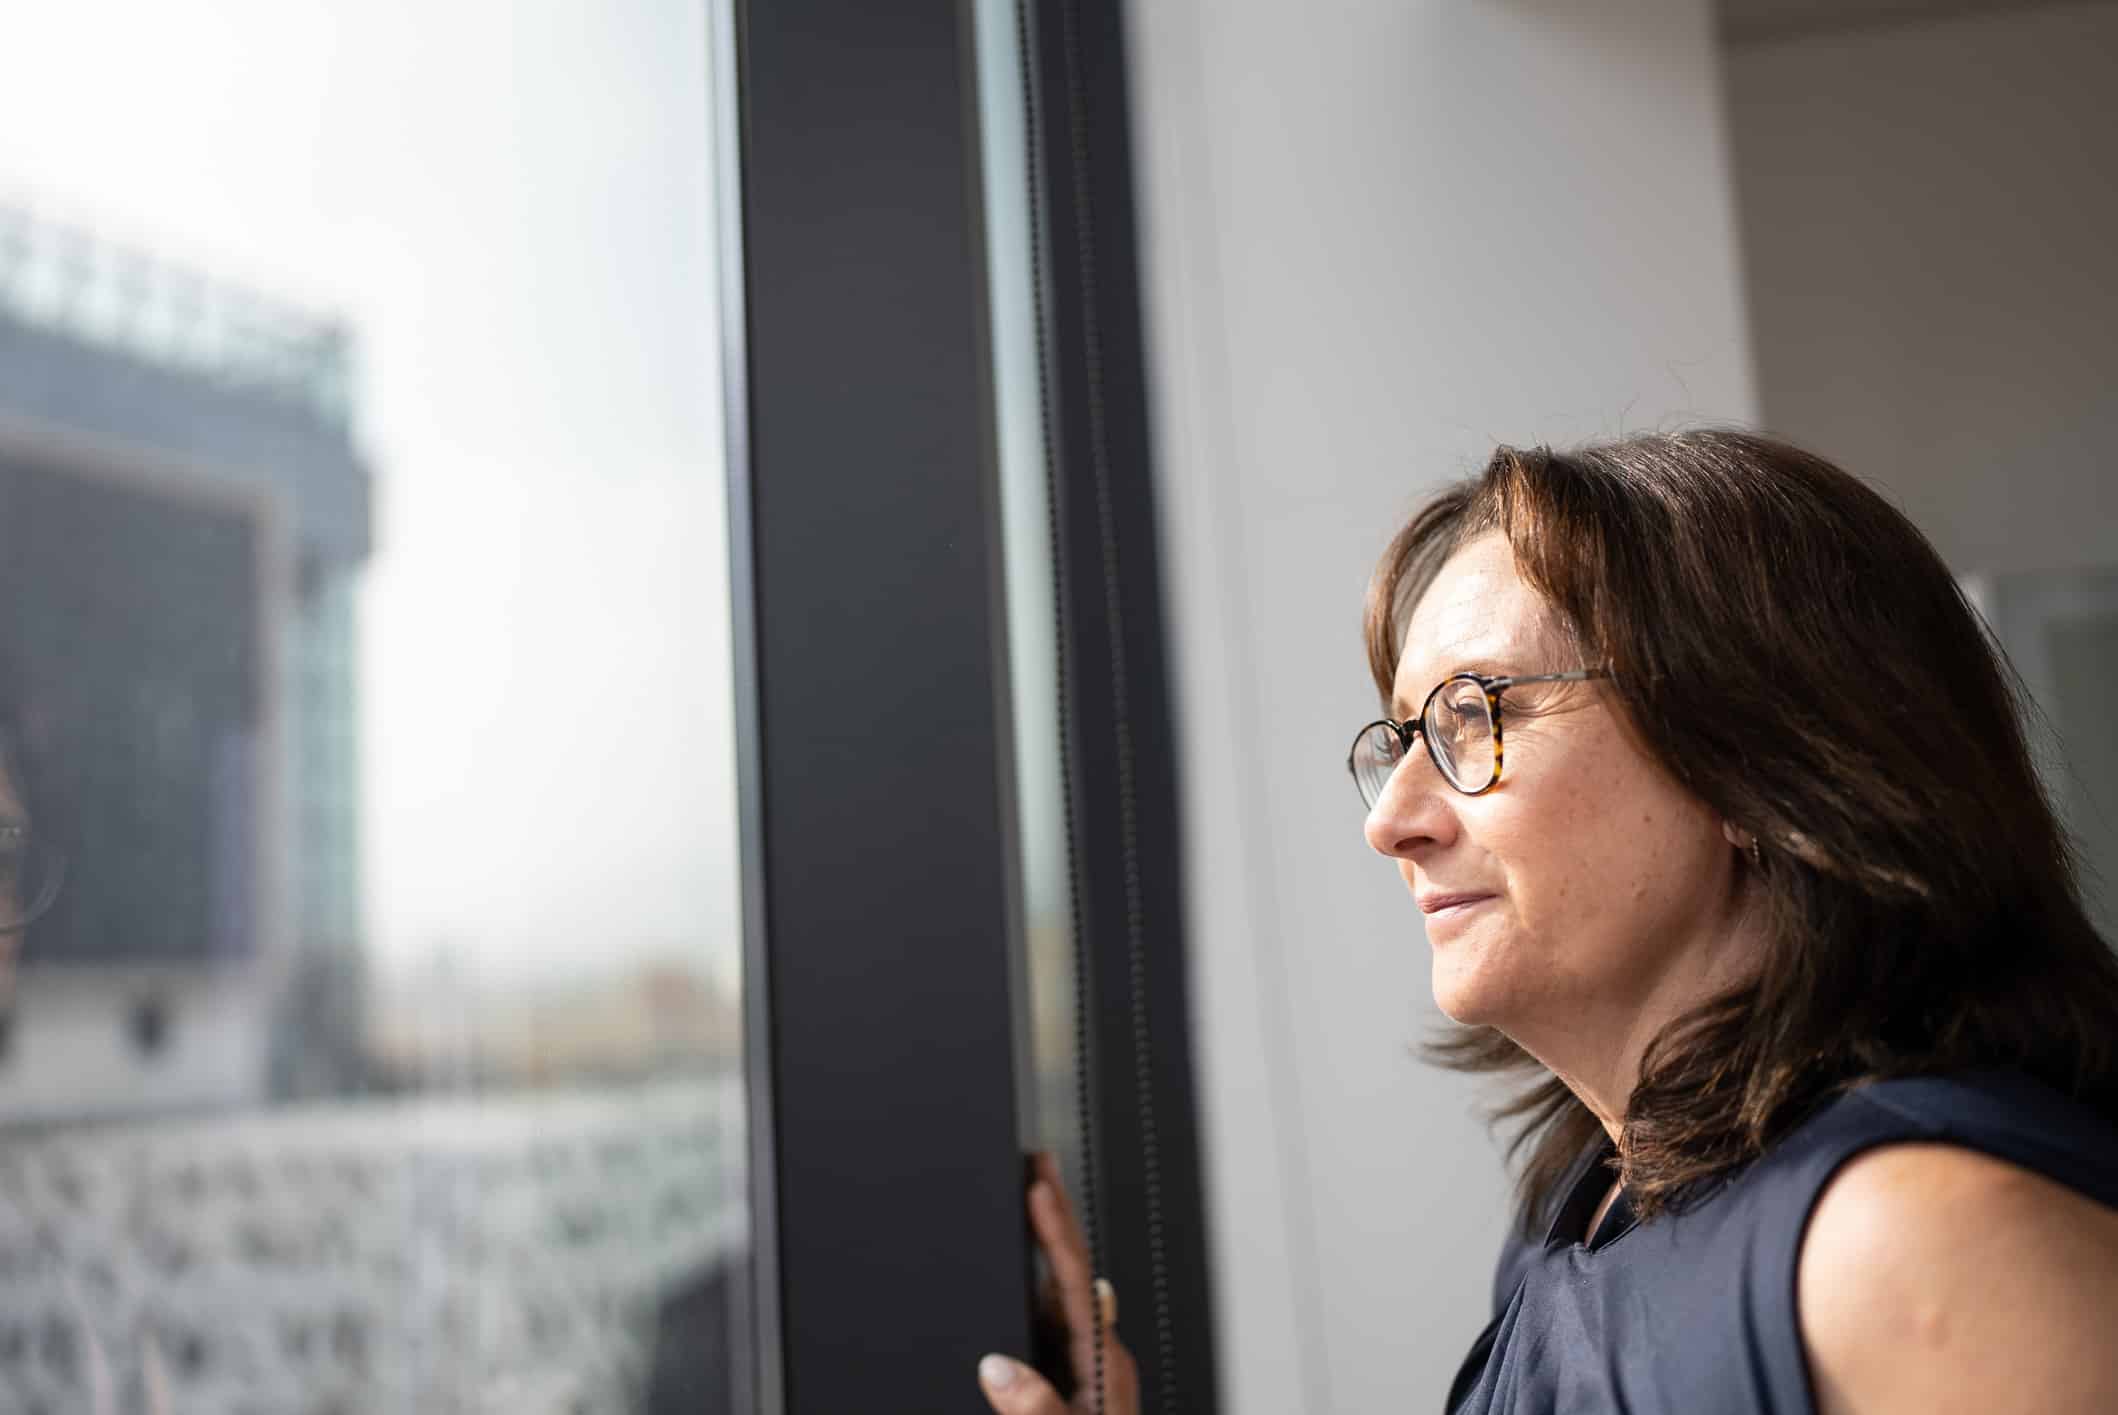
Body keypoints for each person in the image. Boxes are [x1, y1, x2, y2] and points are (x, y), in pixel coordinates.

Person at [975, 430, 2118, 1415]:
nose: (1395, 823)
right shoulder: (1587, 1206)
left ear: (1759, 755)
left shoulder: (1918, 1239)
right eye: (1404, 738)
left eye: (1477, 715)